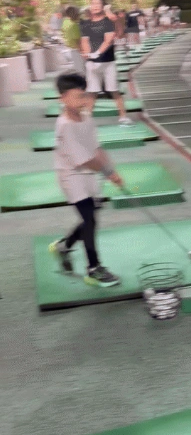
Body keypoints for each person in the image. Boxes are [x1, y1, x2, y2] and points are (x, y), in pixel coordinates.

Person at [49, 71, 123, 288]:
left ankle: (64, 246)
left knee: (89, 218)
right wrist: (107, 173)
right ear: (62, 98)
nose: (81, 100)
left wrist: (111, 170)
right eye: (75, 96)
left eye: (83, 95)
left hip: (90, 175)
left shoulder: (87, 118)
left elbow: (96, 148)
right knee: (90, 220)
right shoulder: (65, 126)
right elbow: (85, 160)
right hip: (71, 176)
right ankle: (93, 268)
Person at [80, 0, 132, 126]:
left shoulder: (108, 22)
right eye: (93, 3)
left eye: (98, 4)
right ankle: (86, 120)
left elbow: (108, 40)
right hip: (92, 64)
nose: (95, 6)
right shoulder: (85, 23)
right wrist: (87, 53)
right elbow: (84, 41)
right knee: (92, 91)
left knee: (114, 90)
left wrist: (96, 53)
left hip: (108, 62)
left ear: (103, 7)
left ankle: (123, 116)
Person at [61, 6, 84, 74]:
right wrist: (83, 52)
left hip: (69, 49)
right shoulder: (74, 25)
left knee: (78, 70)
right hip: (77, 50)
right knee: (82, 72)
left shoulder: (65, 22)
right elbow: (78, 41)